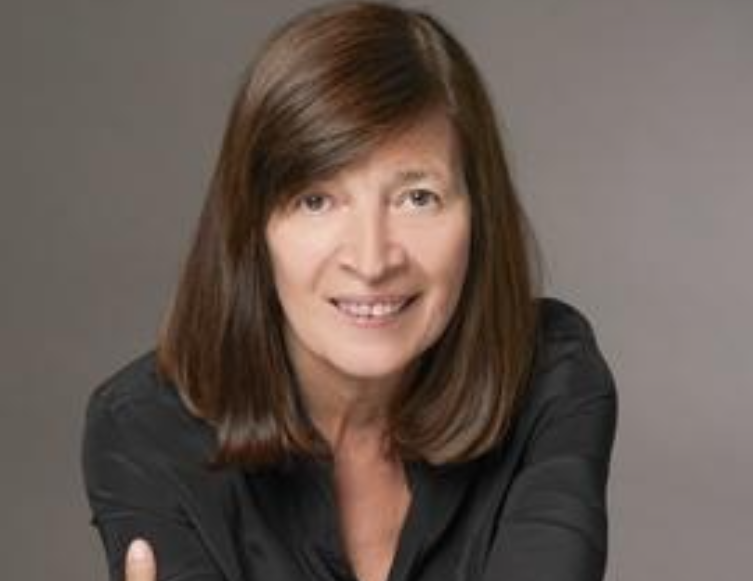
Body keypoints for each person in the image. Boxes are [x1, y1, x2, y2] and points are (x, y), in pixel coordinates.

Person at [81, 2, 619, 581]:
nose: (371, 260)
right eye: (317, 200)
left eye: (417, 198)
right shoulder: (145, 431)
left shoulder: (547, 375)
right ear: (253, 228)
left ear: (478, 215)